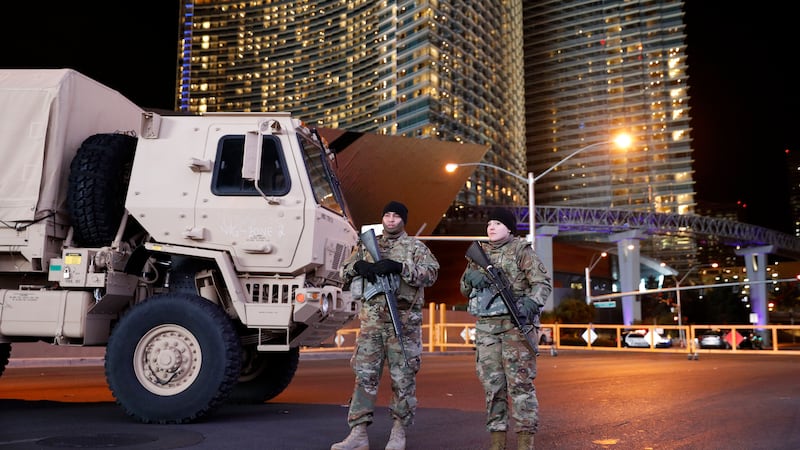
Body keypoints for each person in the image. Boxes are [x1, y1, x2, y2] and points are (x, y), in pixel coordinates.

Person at [332, 200, 440, 450]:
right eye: (387, 215)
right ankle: (358, 434)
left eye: (396, 216)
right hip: (372, 324)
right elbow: (344, 271)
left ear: (404, 220)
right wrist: (359, 266)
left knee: (403, 379)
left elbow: (432, 273)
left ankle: (398, 432)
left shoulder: (415, 247)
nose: (391, 220)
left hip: (403, 323)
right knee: (364, 377)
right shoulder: (366, 245)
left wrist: (400, 267)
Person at [459, 207, 552, 450]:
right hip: (487, 328)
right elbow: (464, 289)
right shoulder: (477, 254)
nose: (491, 227)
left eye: (497, 223)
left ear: (509, 228)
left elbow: (542, 283)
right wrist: (471, 279)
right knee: (493, 385)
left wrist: (531, 304)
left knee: (520, 385)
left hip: (515, 327)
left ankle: (525, 442)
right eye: (489, 223)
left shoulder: (522, 252)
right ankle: (497, 441)